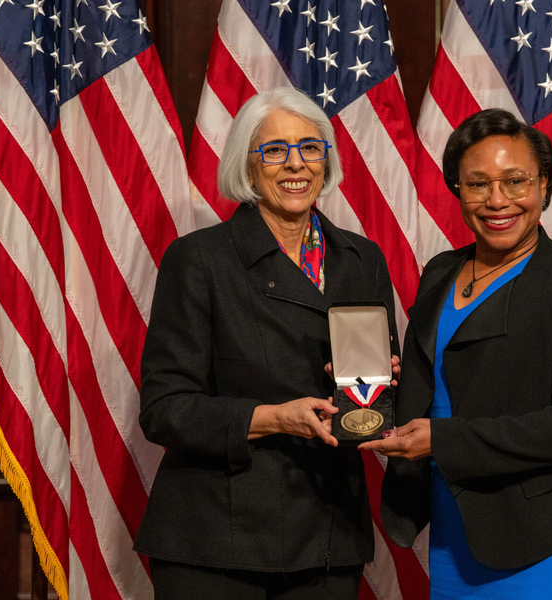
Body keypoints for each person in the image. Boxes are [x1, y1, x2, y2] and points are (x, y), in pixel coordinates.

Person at [134, 87, 399, 599]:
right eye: (274, 150)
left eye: (310, 147)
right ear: (247, 168)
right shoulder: (199, 260)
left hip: (328, 535)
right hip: (217, 541)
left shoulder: (362, 259)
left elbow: (375, 377)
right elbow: (165, 410)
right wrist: (276, 417)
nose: (295, 163)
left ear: (327, 161)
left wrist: (383, 384)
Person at [360, 108, 552, 599]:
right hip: (455, 521)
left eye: (516, 181)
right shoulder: (441, 271)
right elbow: (437, 382)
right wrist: (364, 390)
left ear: (544, 186)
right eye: (478, 184)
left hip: (546, 534)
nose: (497, 200)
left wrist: (443, 440)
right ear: (457, 190)